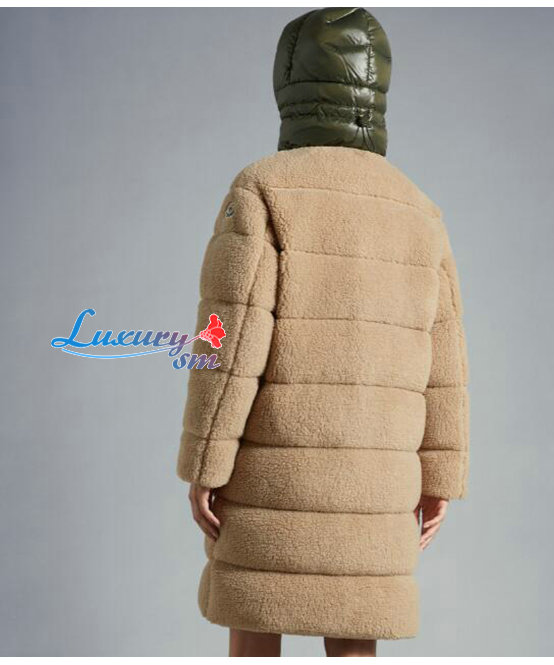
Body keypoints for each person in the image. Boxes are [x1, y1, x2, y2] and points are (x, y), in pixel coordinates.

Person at [177, 7, 470, 657]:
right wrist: (439, 475)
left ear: (287, 86)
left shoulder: (262, 190)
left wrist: (204, 462)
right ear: (377, 90)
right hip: (378, 488)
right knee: (356, 628)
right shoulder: (420, 210)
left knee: (256, 617)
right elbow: (445, 360)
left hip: (272, 479)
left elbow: (226, 340)